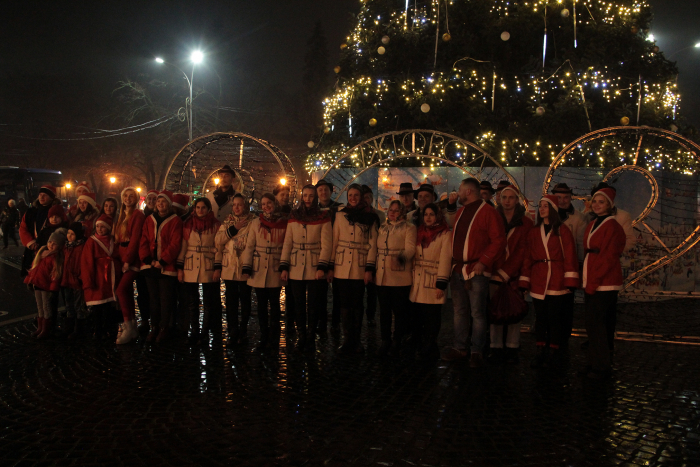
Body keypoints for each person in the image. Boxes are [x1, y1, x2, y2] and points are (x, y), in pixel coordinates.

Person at [442, 178, 506, 368]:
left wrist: (483, 261)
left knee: (477, 313)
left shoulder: (488, 212)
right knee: (459, 311)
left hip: (476, 271)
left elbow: (498, 240)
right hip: (458, 269)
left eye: (460, 190)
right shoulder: (461, 211)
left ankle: (476, 351)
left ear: (468, 191)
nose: (458, 193)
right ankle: (460, 347)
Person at [519, 195, 579, 368]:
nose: (542, 209)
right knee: (540, 317)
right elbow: (527, 258)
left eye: (546, 206)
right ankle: (540, 349)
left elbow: (569, 255)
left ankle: (554, 349)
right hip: (539, 277)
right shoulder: (534, 232)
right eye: (540, 206)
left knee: (554, 317)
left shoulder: (562, 230)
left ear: (552, 209)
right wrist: (525, 281)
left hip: (557, 278)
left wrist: (570, 280)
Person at [280, 184, 332, 352]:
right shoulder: (294, 216)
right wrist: (284, 266)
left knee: (314, 304)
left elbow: (326, 245)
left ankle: (310, 337)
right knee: (298, 304)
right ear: (302, 197)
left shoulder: (323, 216)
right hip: (296, 265)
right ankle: (302, 336)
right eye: (306, 195)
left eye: (311, 195)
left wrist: (322, 266)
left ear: (315, 197)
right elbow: (288, 242)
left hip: (315, 265)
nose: (308, 199)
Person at [328, 184, 379, 354]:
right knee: (344, 303)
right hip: (341, 266)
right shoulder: (340, 215)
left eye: (356, 195)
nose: (353, 198)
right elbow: (334, 241)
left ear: (361, 196)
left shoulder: (370, 217)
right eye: (350, 195)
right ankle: (347, 339)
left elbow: (372, 244)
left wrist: (369, 268)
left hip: (359, 265)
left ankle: (356, 340)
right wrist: (331, 266)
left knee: (357, 304)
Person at [581, 188, 626, 379]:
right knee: (593, 324)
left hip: (604, 282)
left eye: (601, 202)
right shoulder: (593, 224)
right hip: (594, 278)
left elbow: (608, 257)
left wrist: (593, 282)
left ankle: (601, 366)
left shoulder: (612, 226)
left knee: (597, 323)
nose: (597, 205)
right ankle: (594, 362)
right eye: (595, 201)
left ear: (609, 205)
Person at [487, 185, 533, 364]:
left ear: (517, 200)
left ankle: (513, 345)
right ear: (499, 199)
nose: (507, 201)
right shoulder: (492, 218)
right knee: (495, 310)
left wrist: (506, 272)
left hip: (514, 274)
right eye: (503, 197)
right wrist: (496, 269)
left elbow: (524, 250)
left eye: (510, 197)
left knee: (514, 310)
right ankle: (495, 345)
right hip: (494, 272)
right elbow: (490, 244)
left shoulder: (526, 223)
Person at [242, 193, 288, 354]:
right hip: (259, 268)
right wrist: (246, 266)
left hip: (275, 268)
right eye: (263, 203)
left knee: (275, 305)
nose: (266, 206)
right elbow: (250, 245)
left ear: (275, 203)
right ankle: (263, 336)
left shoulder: (284, 223)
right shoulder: (256, 223)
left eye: (269, 203)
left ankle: (274, 338)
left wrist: (285, 267)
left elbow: (287, 246)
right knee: (261, 306)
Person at [177, 197, 223, 345]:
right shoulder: (188, 224)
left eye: (203, 207)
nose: (200, 210)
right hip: (190, 265)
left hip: (208, 265)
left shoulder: (216, 225)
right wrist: (180, 268)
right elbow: (183, 246)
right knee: (192, 302)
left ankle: (205, 331)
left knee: (209, 302)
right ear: (194, 208)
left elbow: (219, 249)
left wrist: (217, 268)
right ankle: (195, 330)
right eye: (198, 207)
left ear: (209, 209)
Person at [139, 190, 183, 343]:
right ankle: (155, 326)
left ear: (169, 204)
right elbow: (144, 239)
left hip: (166, 267)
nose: (160, 204)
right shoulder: (149, 219)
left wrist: (163, 260)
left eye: (163, 201)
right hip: (150, 265)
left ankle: (165, 327)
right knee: (153, 299)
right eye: (158, 202)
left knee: (165, 299)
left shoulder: (175, 220)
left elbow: (175, 243)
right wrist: (147, 259)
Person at [410, 203, 452, 361]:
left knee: (432, 317)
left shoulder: (444, 234)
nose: (428, 217)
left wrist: (441, 283)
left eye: (431, 214)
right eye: (425, 214)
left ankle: (430, 344)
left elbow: (445, 259)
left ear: (437, 215)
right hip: (418, 280)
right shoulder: (419, 231)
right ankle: (420, 342)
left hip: (433, 280)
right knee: (418, 315)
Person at [375, 200, 416, 357]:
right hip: (382, 275)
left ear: (402, 212)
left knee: (399, 311)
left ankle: (397, 340)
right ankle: (385, 340)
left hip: (399, 276)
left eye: (396, 210)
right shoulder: (383, 228)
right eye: (390, 210)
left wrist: (400, 259)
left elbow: (411, 248)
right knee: (384, 311)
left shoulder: (409, 228)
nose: (392, 212)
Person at [216, 193, 255, 344]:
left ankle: (243, 328)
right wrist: (233, 229)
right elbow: (218, 240)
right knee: (231, 300)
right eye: (234, 205)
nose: (237, 207)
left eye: (240, 204)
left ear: (245, 205)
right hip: (230, 266)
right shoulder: (228, 221)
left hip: (245, 266)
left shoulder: (253, 221)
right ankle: (232, 329)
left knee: (245, 299)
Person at [552, 183, 587, 347]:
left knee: (566, 304)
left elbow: (580, 244)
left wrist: (578, 268)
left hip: (568, 267)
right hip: (550, 268)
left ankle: (563, 337)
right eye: (559, 197)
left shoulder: (579, 218)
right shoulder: (546, 214)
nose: (562, 201)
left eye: (565, 197)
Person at [113, 187, 146, 344]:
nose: (127, 198)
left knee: (121, 289)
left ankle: (129, 326)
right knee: (125, 291)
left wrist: (127, 260)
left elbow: (134, 240)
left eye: (131, 196)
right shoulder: (121, 216)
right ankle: (131, 325)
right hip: (122, 257)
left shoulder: (137, 215)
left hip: (131, 259)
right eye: (125, 195)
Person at [81, 215, 121, 341]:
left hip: (110, 278)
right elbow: (86, 262)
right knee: (98, 307)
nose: (99, 229)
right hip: (98, 278)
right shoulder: (91, 242)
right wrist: (88, 281)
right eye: (97, 226)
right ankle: (98, 330)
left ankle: (108, 328)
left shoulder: (112, 241)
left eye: (102, 227)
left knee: (108, 306)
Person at [25, 228, 67, 339]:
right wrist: (29, 280)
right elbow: (34, 269)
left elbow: (55, 276)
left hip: (46, 287)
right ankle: (40, 327)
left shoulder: (56, 258)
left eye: (55, 244)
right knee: (40, 307)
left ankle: (46, 329)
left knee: (46, 307)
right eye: (50, 242)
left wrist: (53, 289)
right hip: (37, 284)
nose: (51, 245)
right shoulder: (42, 252)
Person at [316, 179, 344, 333]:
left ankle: (336, 321)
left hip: (337, 251)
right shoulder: (313, 209)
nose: (323, 192)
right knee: (320, 291)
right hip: (319, 253)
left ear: (331, 191)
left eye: (325, 190)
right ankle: (321, 321)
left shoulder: (339, 208)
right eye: (320, 190)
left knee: (337, 292)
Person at [19, 185, 62, 276]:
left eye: (45, 195)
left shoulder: (57, 211)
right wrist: (30, 243)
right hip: (32, 249)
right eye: (40, 194)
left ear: (51, 197)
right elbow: (23, 228)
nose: (41, 197)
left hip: (49, 249)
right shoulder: (31, 212)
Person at [361, 185, 384, 327]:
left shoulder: (380, 215)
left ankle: (370, 315)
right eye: (365, 197)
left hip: (374, 254)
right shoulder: (356, 214)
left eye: (369, 197)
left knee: (372, 290)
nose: (367, 200)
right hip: (360, 255)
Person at [274, 183, 295, 335]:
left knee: (291, 292)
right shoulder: (272, 212)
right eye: (282, 194)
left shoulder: (293, 213)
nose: (285, 197)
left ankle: (290, 321)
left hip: (289, 255)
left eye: (287, 194)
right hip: (274, 255)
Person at [61, 222, 88, 339]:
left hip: (77, 281)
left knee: (78, 306)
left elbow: (84, 264)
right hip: (67, 280)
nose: (69, 236)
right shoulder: (66, 246)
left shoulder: (81, 247)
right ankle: (69, 327)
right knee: (69, 305)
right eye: (68, 233)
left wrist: (80, 277)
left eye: (72, 234)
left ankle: (79, 329)